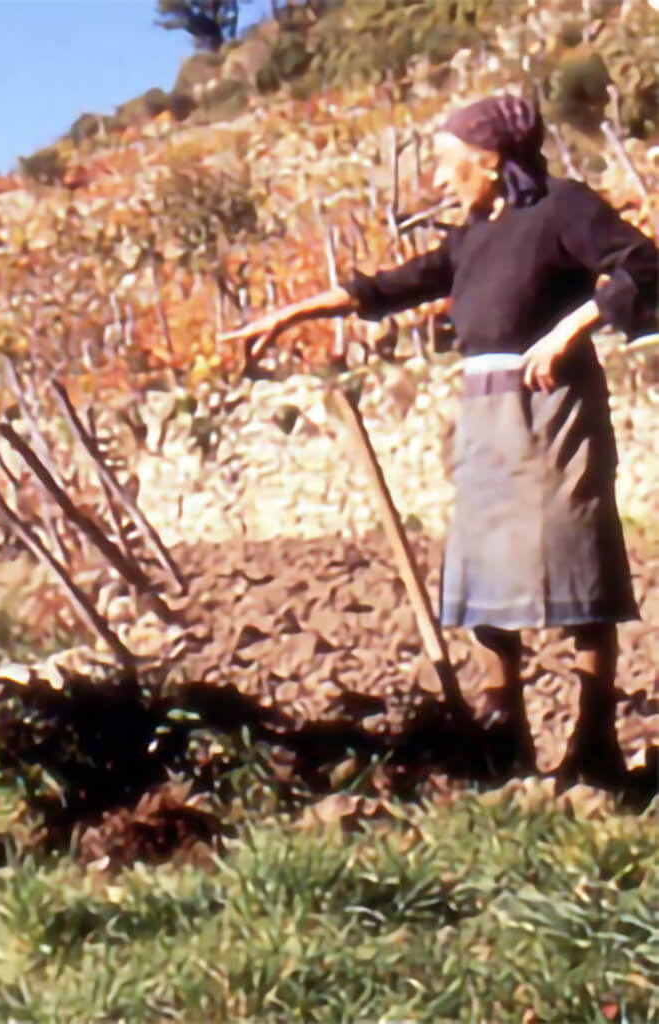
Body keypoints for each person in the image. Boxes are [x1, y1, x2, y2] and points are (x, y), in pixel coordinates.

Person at [224, 94, 657, 785]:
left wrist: (568, 329)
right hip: (485, 417)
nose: (439, 179)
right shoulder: (472, 237)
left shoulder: (564, 208)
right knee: (484, 570)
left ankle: (595, 735)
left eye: (448, 163)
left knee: (578, 561)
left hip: (556, 407)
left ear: (489, 162)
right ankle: (502, 729)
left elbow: (643, 264)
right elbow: (392, 286)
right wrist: (288, 314)